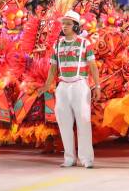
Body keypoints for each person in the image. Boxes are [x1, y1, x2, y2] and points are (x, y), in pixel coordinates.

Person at [44, 9, 101, 168]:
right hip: (62, 87)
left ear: (76, 26)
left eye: (68, 24)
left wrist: (97, 85)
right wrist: (47, 85)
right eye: (63, 24)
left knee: (83, 121)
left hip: (80, 85)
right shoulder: (57, 44)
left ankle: (86, 159)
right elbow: (53, 68)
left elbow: (93, 66)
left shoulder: (85, 43)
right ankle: (69, 158)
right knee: (64, 123)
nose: (64, 26)